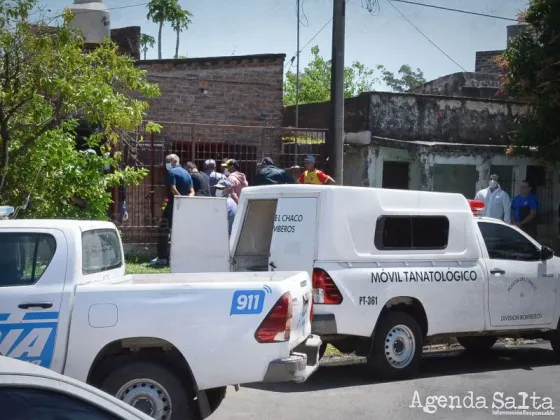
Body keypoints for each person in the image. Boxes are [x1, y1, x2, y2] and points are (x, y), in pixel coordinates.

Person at [152, 154, 194, 267]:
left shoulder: (172, 172)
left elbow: (172, 188)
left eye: (167, 161)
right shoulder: (186, 173)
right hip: (184, 208)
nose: (166, 164)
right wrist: (186, 201)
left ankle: (162, 257)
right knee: (181, 232)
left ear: (174, 161)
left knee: (163, 230)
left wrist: (179, 199)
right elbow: (192, 191)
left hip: (172, 206)